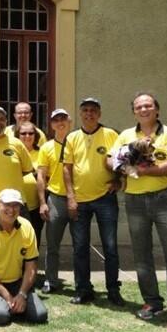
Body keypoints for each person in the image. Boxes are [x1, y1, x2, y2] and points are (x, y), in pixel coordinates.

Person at [110, 91, 167, 329]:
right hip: (135, 199)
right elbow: (111, 161)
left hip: (164, 198)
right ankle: (151, 302)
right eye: (139, 106)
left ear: (156, 109)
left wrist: (146, 170)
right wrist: (125, 158)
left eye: (148, 105)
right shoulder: (127, 135)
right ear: (134, 111)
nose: (144, 109)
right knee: (141, 255)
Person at [62, 98, 123, 306]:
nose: (89, 114)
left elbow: (120, 161)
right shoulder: (72, 137)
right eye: (85, 110)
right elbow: (66, 168)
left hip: (105, 198)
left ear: (99, 114)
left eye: (93, 110)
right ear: (80, 113)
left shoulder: (111, 134)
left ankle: (113, 289)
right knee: (80, 247)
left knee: (111, 246)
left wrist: (118, 180)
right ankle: (83, 289)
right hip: (79, 200)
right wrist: (70, 197)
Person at [0, 188, 48, 326]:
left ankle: (11, 305)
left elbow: (31, 266)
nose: (11, 210)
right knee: (1, 316)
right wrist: (7, 296)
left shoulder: (27, 226)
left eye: (15, 205)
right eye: (7, 205)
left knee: (40, 316)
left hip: (16, 281)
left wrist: (22, 294)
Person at [37, 108, 72, 293]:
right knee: (52, 244)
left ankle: (83, 284)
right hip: (56, 198)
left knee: (81, 243)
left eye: (63, 119)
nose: (60, 122)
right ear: (51, 124)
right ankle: (51, 280)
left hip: (78, 198)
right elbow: (41, 176)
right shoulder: (46, 147)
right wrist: (43, 202)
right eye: (56, 120)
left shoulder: (77, 142)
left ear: (70, 121)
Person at [14, 121, 44, 246]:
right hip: (15, 205)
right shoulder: (12, 152)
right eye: (23, 133)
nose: (27, 136)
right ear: (17, 135)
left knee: (33, 241)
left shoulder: (42, 152)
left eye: (31, 133)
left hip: (35, 206)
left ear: (35, 136)